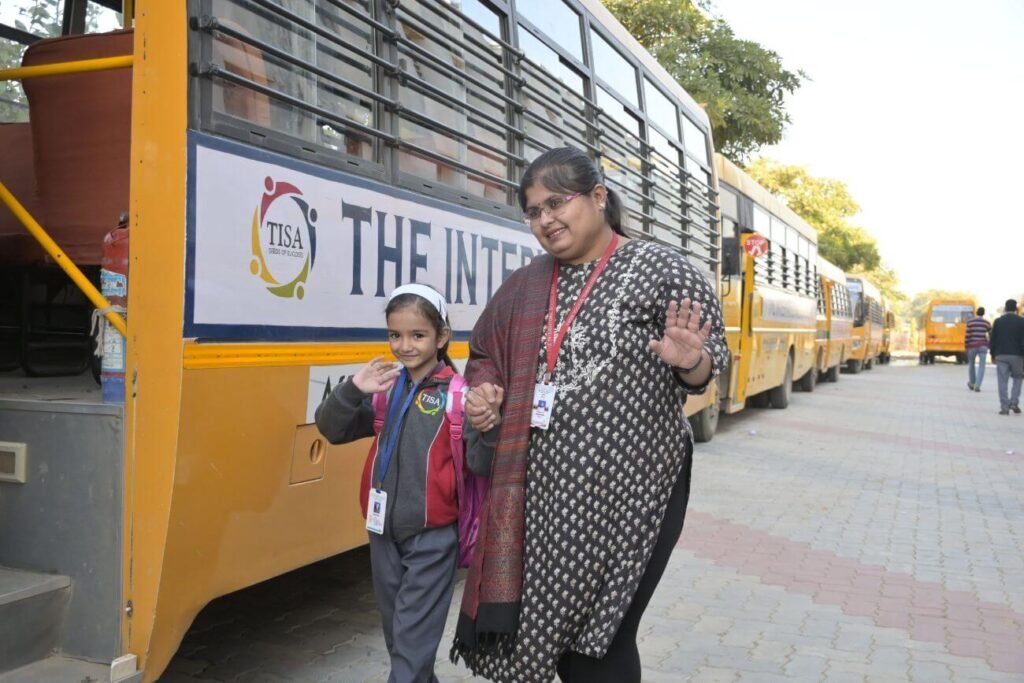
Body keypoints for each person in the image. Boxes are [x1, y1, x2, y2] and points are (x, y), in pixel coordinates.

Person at [449, 147, 729, 683]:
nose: (546, 220)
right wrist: (485, 391)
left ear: (599, 197)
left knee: (599, 646)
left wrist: (691, 361)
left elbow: (710, 364)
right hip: (544, 502)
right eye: (534, 211)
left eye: (557, 203)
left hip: (635, 499)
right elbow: (484, 353)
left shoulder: (663, 270)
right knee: (558, 644)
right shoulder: (525, 284)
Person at [314, 284, 493, 683]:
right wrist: (352, 390)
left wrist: (487, 426)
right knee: (401, 639)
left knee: (411, 648)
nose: (405, 346)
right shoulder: (385, 390)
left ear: (441, 337)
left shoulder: (458, 396)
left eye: (417, 335)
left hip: (433, 539)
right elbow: (331, 428)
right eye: (395, 335)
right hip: (382, 534)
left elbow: (481, 463)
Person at [990, 298, 1024, 415]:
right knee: (1018, 378)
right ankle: (1014, 402)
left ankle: (1004, 407)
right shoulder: (1022, 321)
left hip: (1001, 355)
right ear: (1016, 309)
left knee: (1002, 381)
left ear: (1005, 308)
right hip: (1017, 355)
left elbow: (993, 339)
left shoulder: (998, 321)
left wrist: (992, 354)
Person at [964, 306, 991, 391]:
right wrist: (989, 344)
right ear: (983, 313)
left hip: (972, 346)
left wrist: (966, 346)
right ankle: (978, 385)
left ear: (976, 312)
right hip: (983, 346)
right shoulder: (987, 323)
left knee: (971, 364)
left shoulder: (970, 322)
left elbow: (967, 335)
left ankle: (972, 383)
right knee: (982, 366)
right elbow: (991, 334)